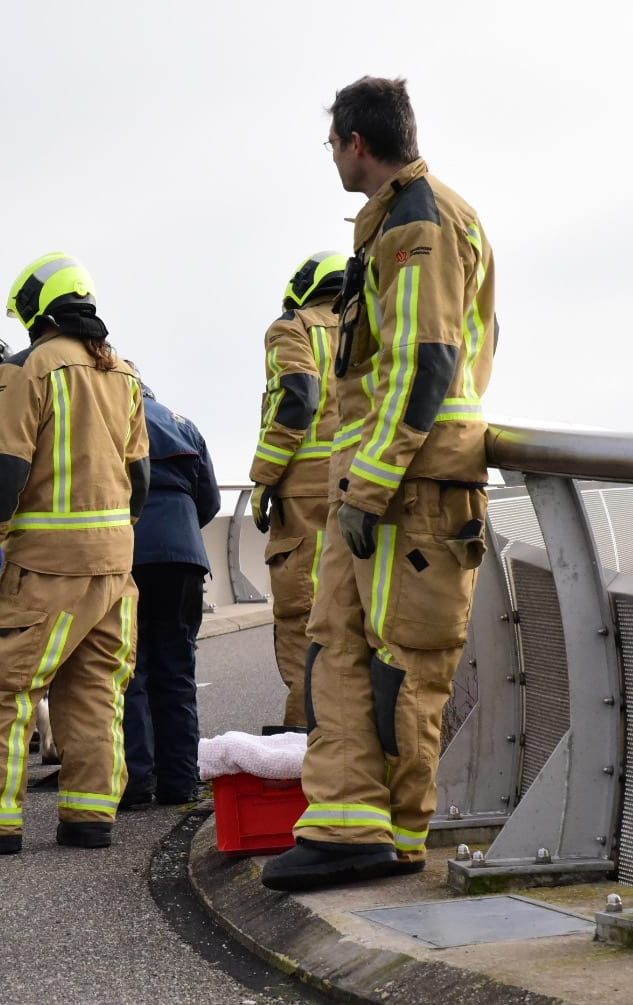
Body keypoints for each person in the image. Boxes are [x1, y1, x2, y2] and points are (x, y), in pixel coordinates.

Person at [262, 77, 496, 891]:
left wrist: (371, 484)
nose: (331, 157)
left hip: (408, 486)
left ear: (356, 143)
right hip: (372, 478)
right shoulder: (398, 221)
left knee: (404, 662)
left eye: (332, 144)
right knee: (336, 646)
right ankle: (344, 825)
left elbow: (425, 362)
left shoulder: (418, 222)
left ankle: (394, 834)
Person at [0, 252, 148, 856]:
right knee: (95, 690)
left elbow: (3, 475)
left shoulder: (27, 370)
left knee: (2, 690)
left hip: (47, 568)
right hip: (115, 569)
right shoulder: (125, 373)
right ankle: (89, 818)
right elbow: (140, 480)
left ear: (35, 311)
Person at [248, 253, 347, 730]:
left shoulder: (294, 327)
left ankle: (304, 736)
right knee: (356, 615)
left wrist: (265, 476)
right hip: (370, 487)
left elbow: (298, 395)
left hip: (308, 497)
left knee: (304, 613)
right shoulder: (375, 328)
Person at [120, 388, 220, 808]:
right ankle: (180, 784)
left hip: (130, 553)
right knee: (177, 672)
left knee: (131, 670)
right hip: (184, 559)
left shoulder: (113, 418)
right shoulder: (183, 424)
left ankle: (136, 783)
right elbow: (210, 500)